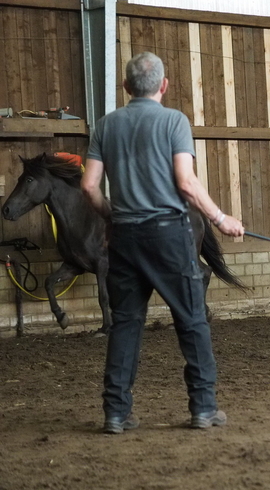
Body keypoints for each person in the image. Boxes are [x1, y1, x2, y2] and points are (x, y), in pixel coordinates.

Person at [81, 51, 244, 434]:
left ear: (126, 87)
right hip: (168, 235)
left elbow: (89, 187)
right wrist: (220, 219)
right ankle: (203, 408)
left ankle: (116, 413)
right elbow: (186, 183)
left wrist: (111, 217)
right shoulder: (174, 121)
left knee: (125, 324)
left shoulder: (105, 126)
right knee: (191, 320)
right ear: (164, 85)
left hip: (123, 236)